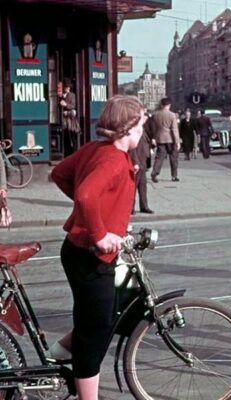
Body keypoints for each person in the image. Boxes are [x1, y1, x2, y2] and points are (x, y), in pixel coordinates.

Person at [51, 95, 147, 400]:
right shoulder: (114, 161)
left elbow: (60, 174)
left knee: (99, 318)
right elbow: (87, 196)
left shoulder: (98, 149)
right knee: (98, 330)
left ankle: (60, 351)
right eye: (141, 126)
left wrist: (101, 217)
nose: (143, 132)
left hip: (78, 251)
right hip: (91, 255)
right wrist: (99, 231)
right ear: (129, 128)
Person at [151, 97, 180, 182]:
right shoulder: (172, 115)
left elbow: (153, 127)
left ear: (161, 105)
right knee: (173, 158)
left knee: (159, 157)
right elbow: (174, 129)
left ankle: (155, 172)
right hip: (171, 139)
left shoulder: (156, 114)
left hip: (160, 138)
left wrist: (153, 137)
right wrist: (177, 141)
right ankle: (174, 176)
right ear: (169, 105)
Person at [131, 115, 154, 214]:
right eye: (144, 116)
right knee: (134, 186)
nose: (146, 118)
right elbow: (133, 148)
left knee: (143, 185)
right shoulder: (135, 130)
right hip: (138, 162)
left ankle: (144, 206)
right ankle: (131, 207)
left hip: (143, 161)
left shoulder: (143, 129)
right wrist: (135, 161)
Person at [60, 80, 81, 156]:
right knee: (65, 137)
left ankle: (73, 153)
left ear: (69, 88)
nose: (65, 88)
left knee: (71, 136)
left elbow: (73, 106)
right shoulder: (61, 95)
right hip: (63, 120)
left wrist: (65, 105)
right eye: (65, 87)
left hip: (70, 120)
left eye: (66, 87)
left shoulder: (72, 95)